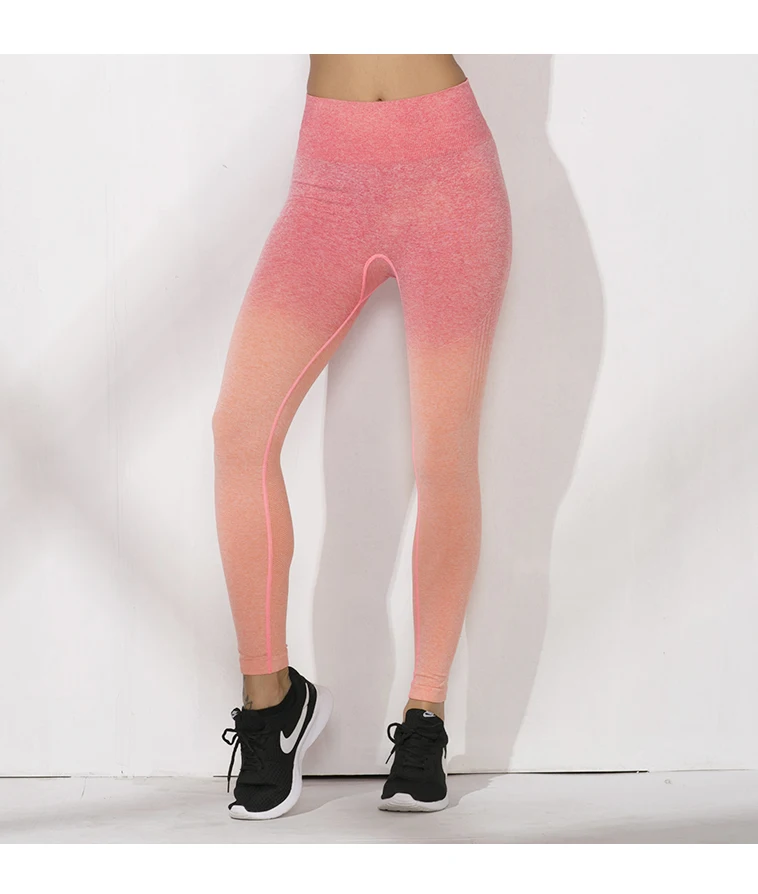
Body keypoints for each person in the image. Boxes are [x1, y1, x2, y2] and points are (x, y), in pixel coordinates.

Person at [213, 54, 512, 819]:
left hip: (450, 172)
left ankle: (425, 715)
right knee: (239, 432)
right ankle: (271, 700)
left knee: (442, 450)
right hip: (328, 180)